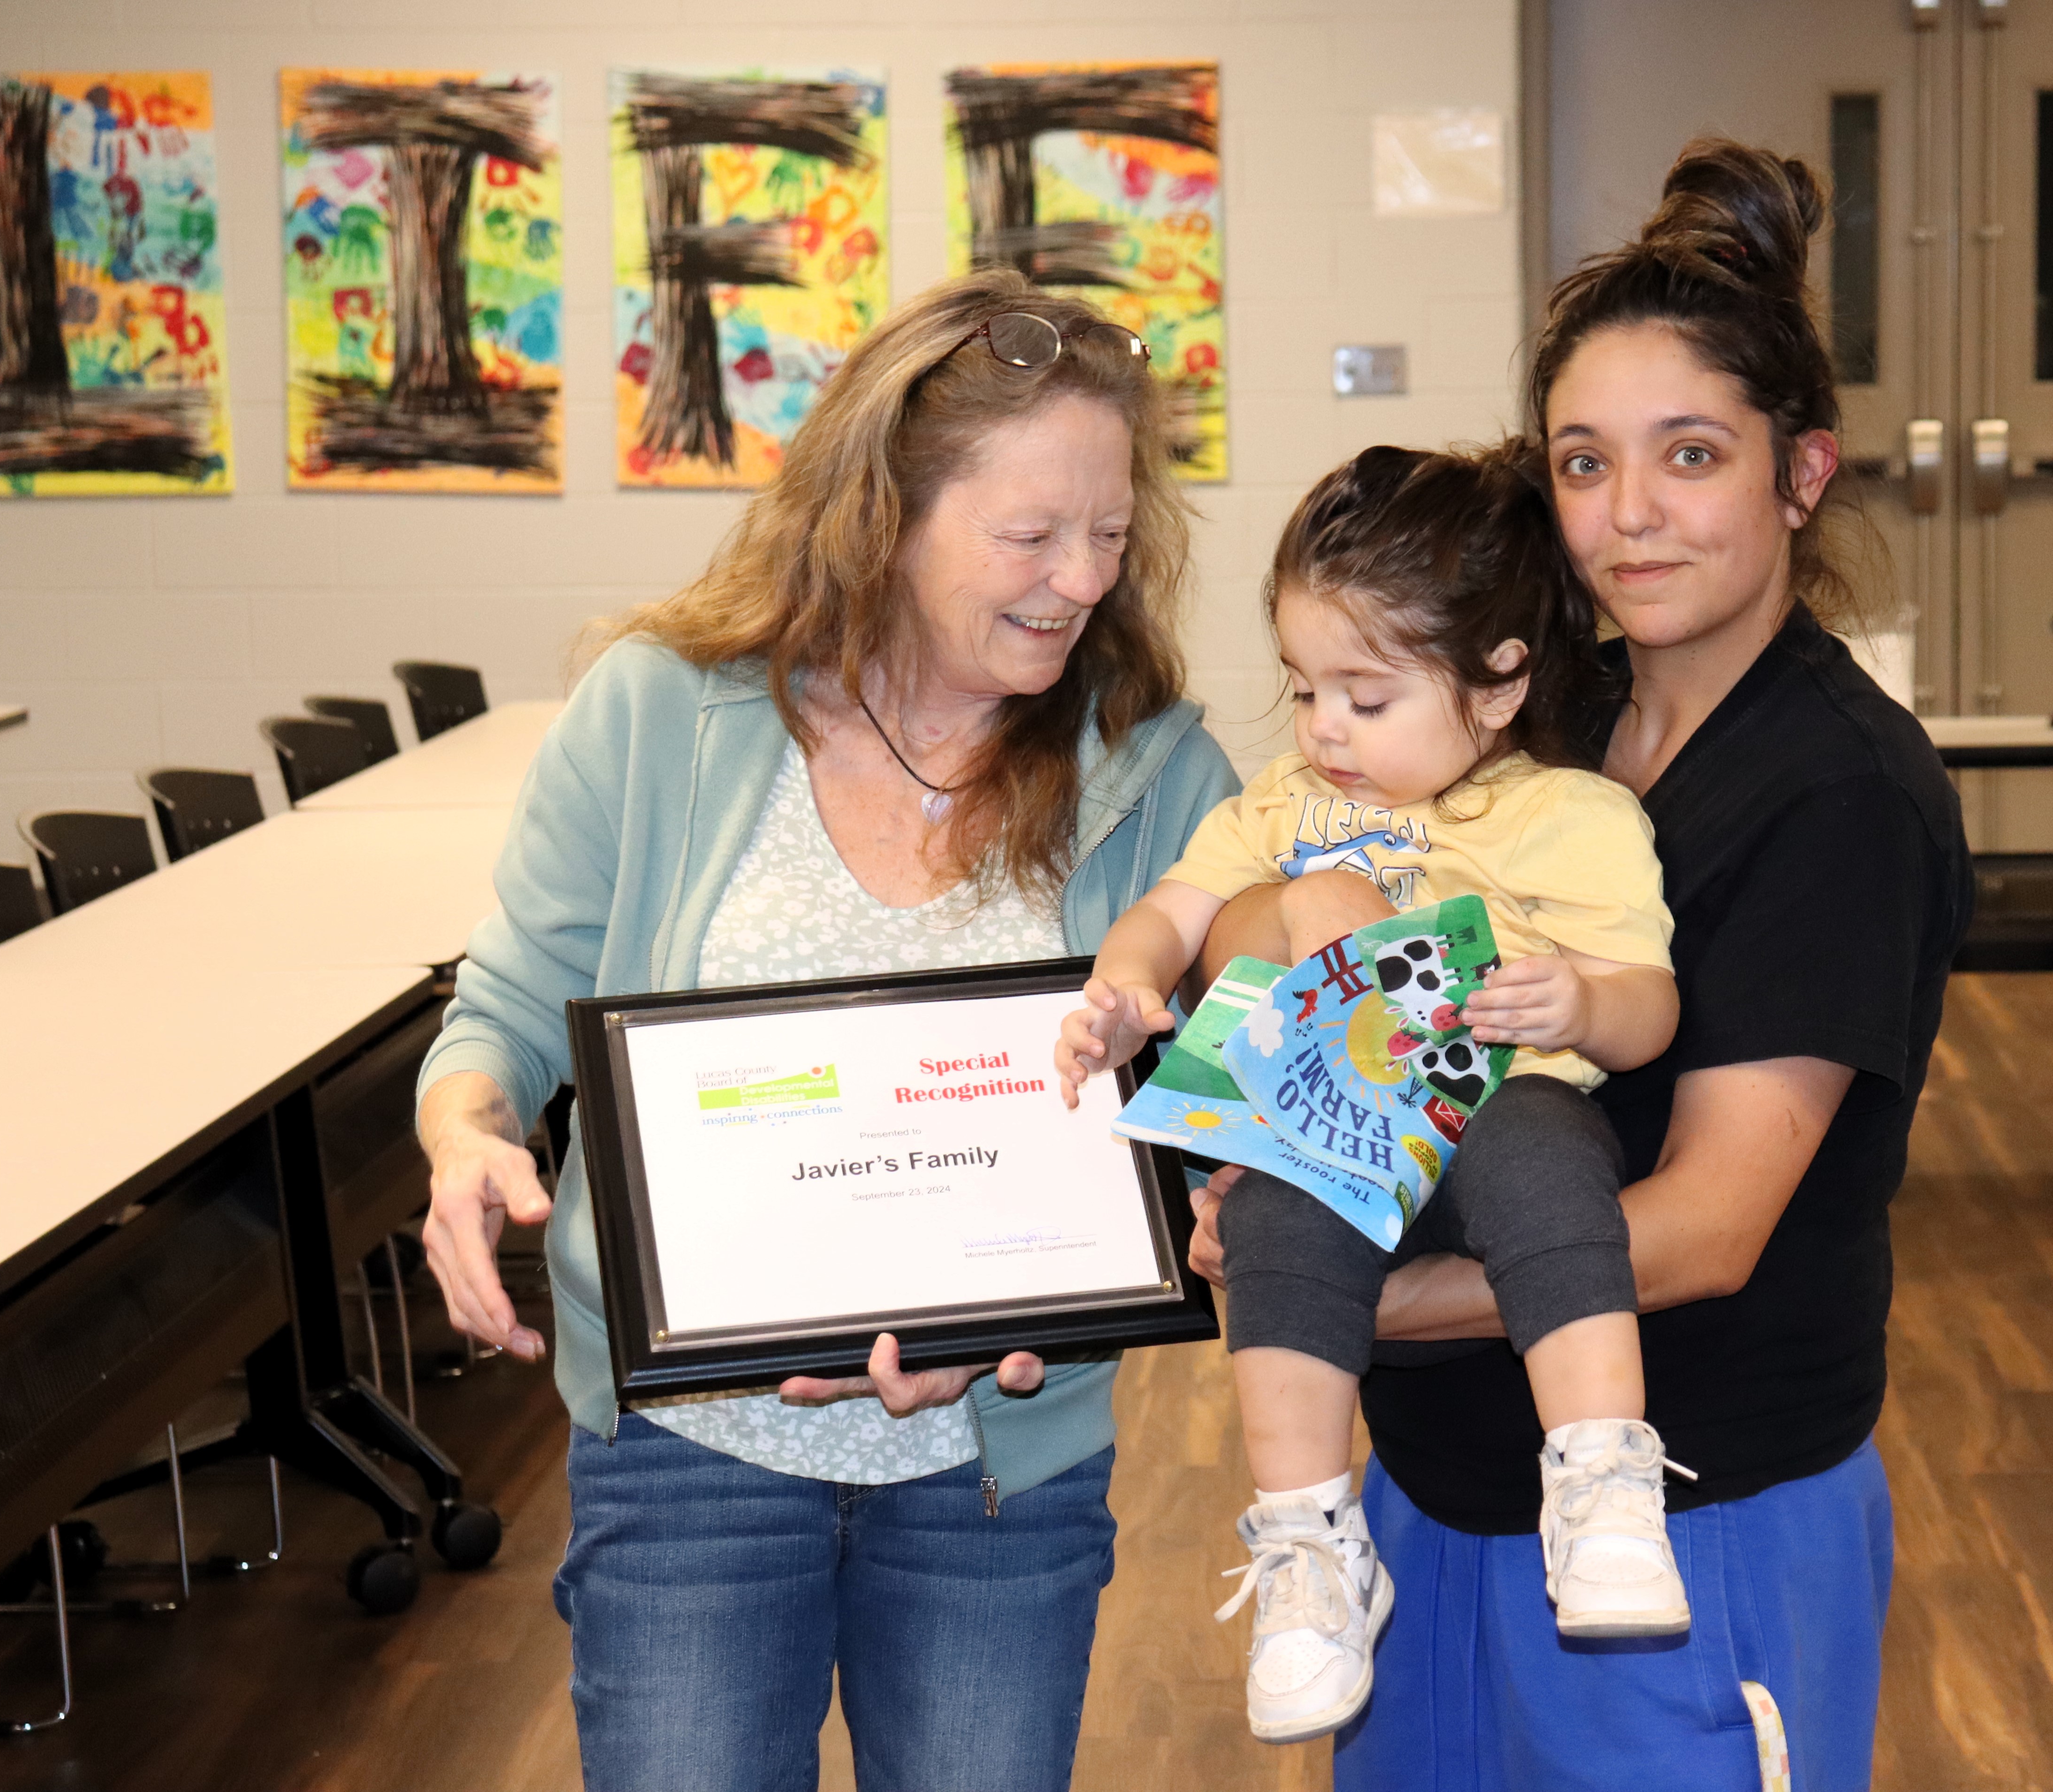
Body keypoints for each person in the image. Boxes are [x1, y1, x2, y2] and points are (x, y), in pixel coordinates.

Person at [1191, 140, 1973, 1790]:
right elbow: (1278, 894)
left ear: (1803, 472)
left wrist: (1355, 1306)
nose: (1631, 514)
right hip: (1437, 1494)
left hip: (1690, 1517)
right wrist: (1293, 1195)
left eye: (1691, 455)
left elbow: (1700, 1230)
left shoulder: (1837, 790)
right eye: (1583, 461)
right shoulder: (1535, 712)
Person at [413, 270, 1238, 1792]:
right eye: (1030, 535)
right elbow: (515, 1003)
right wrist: (466, 1132)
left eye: (1112, 536)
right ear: (885, 513)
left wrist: (1223, 1192)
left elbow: (1227, 1081)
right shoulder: (662, 712)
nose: (1079, 580)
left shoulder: (1156, 770)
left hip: (1000, 1468)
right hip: (689, 1462)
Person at [1057, 444, 1686, 1746]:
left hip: (1506, 1109)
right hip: (1342, 1120)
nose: (1324, 728)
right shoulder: (1286, 811)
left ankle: (1604, 1475)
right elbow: (1170, 917)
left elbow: (1647, 1005)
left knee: (1543, 1167)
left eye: (1366, 695)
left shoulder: (1569, 818)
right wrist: (1121, 988)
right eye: (1303, 690)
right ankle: (1307, 1550)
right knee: (1278, 1213)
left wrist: (1575, 1000)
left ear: (1501, 682)